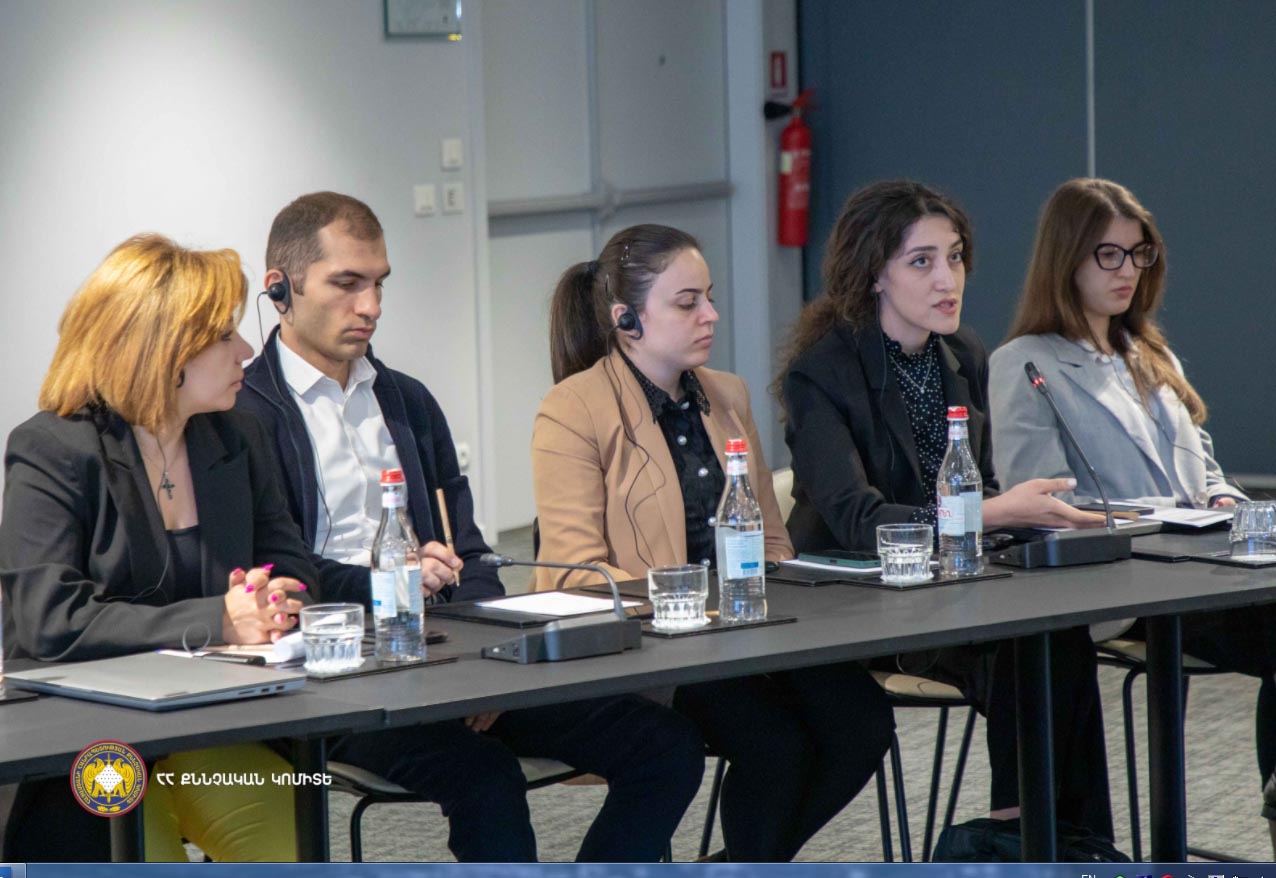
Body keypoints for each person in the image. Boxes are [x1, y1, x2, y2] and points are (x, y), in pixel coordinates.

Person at [236, 192, 704, 863]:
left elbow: (473, 553)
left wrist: (484, 661)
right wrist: (390, 585)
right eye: (347, 284)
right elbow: (273, 575)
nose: (370, 306)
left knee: (665, 743)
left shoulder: (406, 400)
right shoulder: (246, 414)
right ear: (280, 289)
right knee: (485, 777)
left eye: (379, 284)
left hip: (449, 659)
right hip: (336, 678)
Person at [532, 223, 895, 862]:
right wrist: (692, 604)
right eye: (687, 302)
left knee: (863, 722)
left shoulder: (727, 395)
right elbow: (573, 578)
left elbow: (773, 541)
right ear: (626, 320)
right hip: (657, 647)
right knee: (775, 745)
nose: (711, 315)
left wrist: (760, 595)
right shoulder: (573, 409)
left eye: (709, 297)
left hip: (747, 631)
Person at [776, 180, 1115, 839]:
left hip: (953, 590)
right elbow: (858, 521)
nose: (947, 278)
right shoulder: (822, 373)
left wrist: (1034, 516)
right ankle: (1019, 836)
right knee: (1028, 650)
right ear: (875, 273)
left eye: (955, 257)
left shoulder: (962, 354)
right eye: (922, 261)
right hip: (858, 604)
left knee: (1058, 633)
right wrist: (990, 514)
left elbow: (979, 488)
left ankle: (1073, 846)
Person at [0, 234, 311, 861]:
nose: (246, 350)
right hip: (88, 740)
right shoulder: (52, 449)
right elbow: (51, 621)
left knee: (297, 846)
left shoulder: (238, 435)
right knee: (147, 861)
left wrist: (274, 599)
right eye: (224, 335)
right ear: (164, 348)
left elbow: (291, 563)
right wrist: (219, 619)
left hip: (212, 726)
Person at [990, 177, 1276, 851]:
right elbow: (1043, 504)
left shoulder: (1150, 352)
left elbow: (1205, 469)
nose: (1128, 271)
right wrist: (1165, 517)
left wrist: (1224, 500)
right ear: (1067, 259)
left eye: (1139, 254)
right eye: (1108, 255)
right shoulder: (1025, 362)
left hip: (1203, 564)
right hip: (1126, 583)